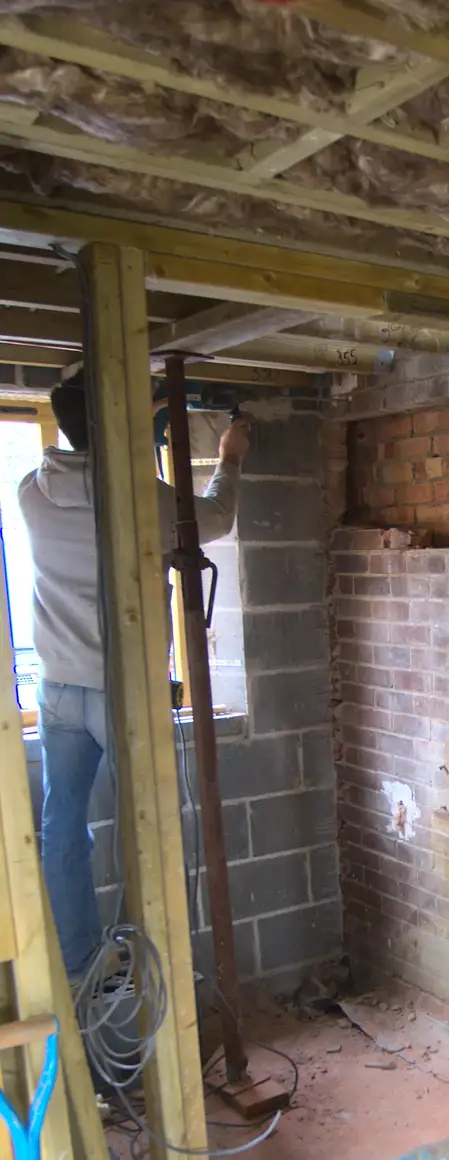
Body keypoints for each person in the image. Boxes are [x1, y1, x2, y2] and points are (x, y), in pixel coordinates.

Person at [16, 378, 251, 983]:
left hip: (59, 690)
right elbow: (215, 518)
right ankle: (155, 959)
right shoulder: (137, 498)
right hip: (121, 693)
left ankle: (79, 964)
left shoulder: (30, 494)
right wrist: (229, 457)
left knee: (61, 826)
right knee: (144, 822)